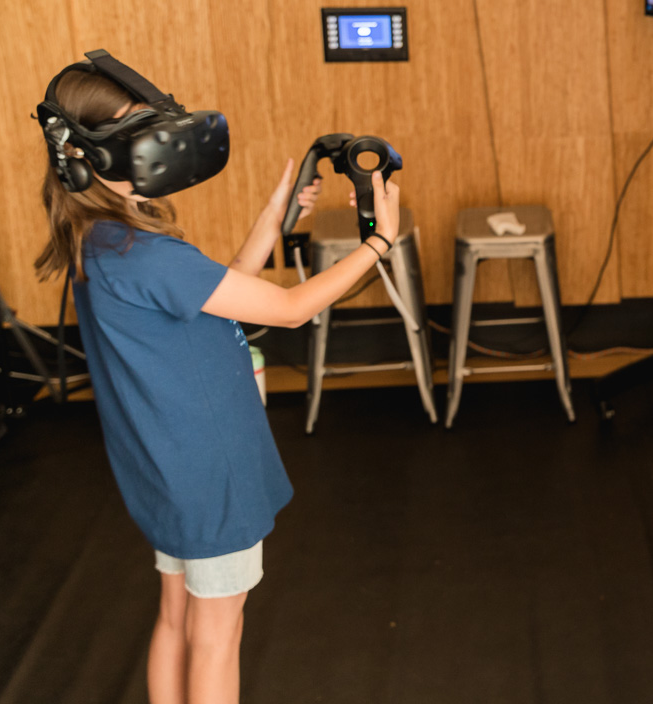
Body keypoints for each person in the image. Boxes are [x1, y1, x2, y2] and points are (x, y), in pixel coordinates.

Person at [34, 63, 400, 704]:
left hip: (165, 470)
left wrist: (275, 219)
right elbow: (289, 309)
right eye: (133, 139)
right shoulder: (148, 254)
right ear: (87, 158)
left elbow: (219, 289)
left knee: (176, 617)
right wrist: (379, 243)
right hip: (210, 478)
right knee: (217, 637)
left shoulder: (102, 242)